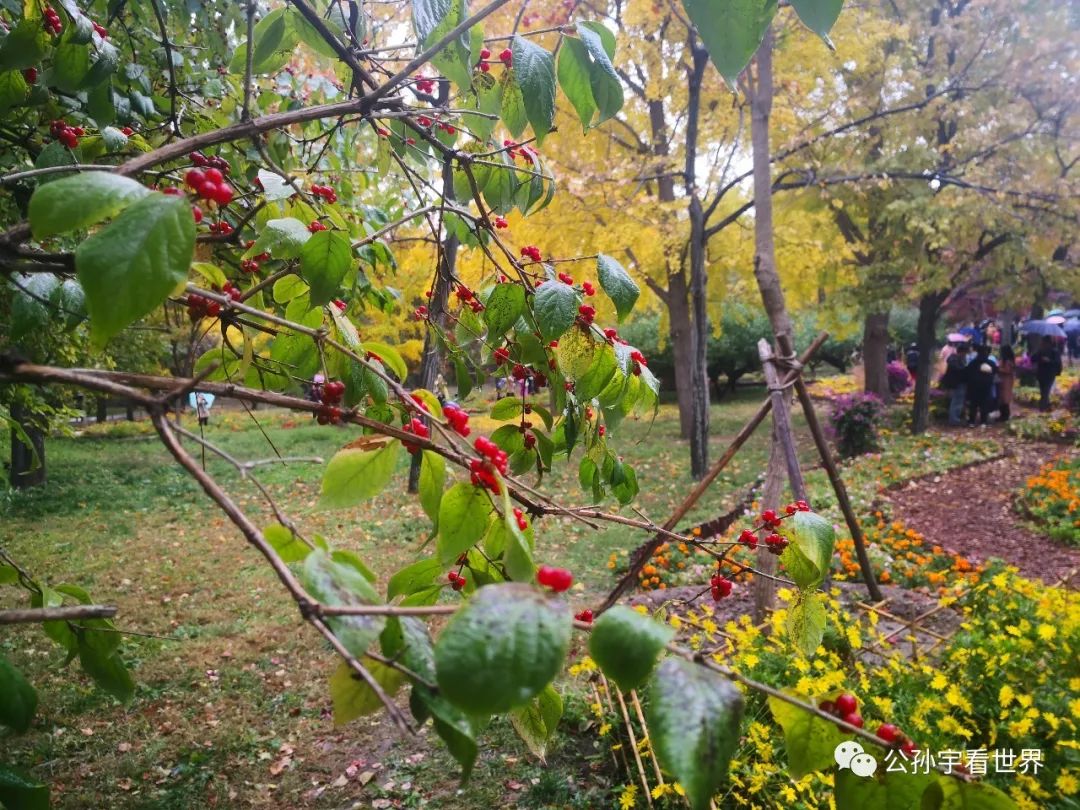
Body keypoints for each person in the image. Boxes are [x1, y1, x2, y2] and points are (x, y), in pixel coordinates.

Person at [965, 344, 997, 427]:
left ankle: (971, 421)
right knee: (984, 403)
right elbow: (995, 372)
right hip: (986, 386)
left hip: (974, 386)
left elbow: (967, 373)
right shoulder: (991, 363)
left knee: (973, 404)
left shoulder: (973, 363)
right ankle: (983, 421)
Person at [941, 341, 970, 426]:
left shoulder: (954, 358)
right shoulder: (955, 359)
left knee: (957, 401)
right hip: (958, 383)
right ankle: (954, 419)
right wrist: (966, 369)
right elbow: (959, 370)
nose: (966, 354)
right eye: (965, 352)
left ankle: (955, 418)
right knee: (957, 401)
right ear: (962, 351)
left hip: (956, 382)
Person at [1031, 336, 1062, 412]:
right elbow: (1032, 359)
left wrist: (1049, 361)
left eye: (1044, 342)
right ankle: (1046, 406)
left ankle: (1043, 407)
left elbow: (1057, 363)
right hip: (1041, 374)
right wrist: (1038, 351)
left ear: (1049, 343)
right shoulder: (1040, 351)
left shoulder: (1054, 351)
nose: (1043, 344)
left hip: (1049, 374)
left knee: (1045, 391)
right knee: (1043, 391)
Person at [997, 345, 1016, 421]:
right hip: (1003, 380)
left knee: (1004, 398)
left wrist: (998, 369)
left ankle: (1005, 416)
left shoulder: (1007, 361)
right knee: (1002, 398)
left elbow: (1007, 371)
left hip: (1006, 381)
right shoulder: (1007, 360)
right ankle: (1003, 415)